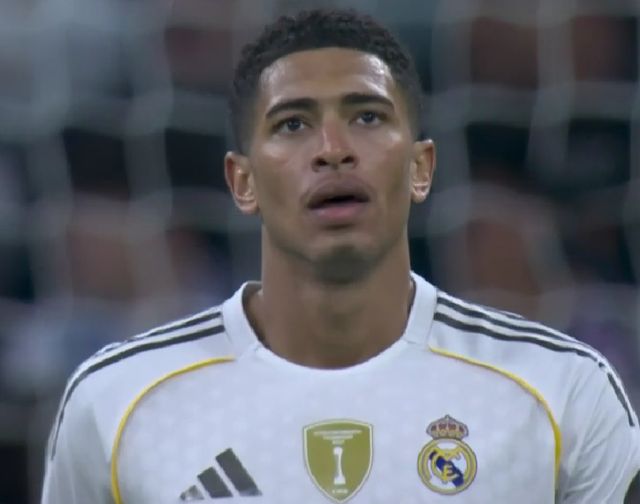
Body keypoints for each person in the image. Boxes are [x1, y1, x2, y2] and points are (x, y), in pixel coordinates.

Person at [41, 9, 639, 504]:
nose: (332, 149)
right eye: (292, 124)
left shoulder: (563, 392)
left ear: (422, 168)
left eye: (367, 117)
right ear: (242, 182)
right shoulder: (117, 402)